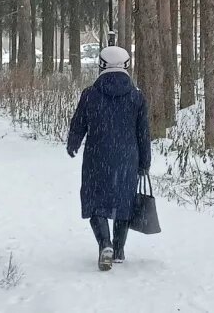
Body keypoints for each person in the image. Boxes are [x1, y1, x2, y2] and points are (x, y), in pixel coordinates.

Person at [66, 46, 151, 271]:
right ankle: (119, 249)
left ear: (101, 65)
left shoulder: (90, 94)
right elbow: (143, 132)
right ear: (126, 65)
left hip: (97, 156)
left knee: (95, 201)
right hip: (127, 158)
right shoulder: (136, 96)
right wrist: (145, 162)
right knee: (124, 202)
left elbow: (79, 123)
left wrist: (73, 143)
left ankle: (105, 244)